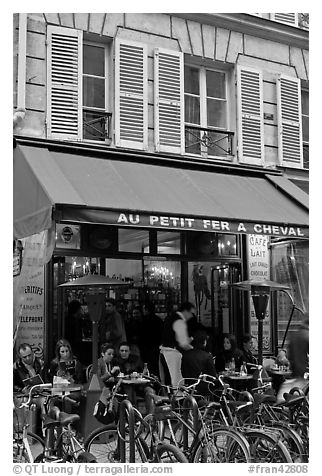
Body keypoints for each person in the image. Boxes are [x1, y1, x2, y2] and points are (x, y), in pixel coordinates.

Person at [159, 301, 196, 388]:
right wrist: (193, 347)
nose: (192, 316)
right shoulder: (179, 322)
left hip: (164, 352)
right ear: (186, 311)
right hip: (172, 353)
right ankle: (178, 400)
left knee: (166, 381)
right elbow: (183, 344)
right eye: (192, 313)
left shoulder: (170, 318)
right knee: (177, 382)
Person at [277, 317, 309, 402]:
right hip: (304, 377)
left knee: (284, 400)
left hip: (295, 376)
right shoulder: (308, 336)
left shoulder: (294, 336)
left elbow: (288, 357)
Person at [181, 329, 217, 395]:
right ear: (204, 342)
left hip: (189, 387)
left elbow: (183, 372)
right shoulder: (207, 356)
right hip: (205, 389)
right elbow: (213, 375)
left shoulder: (185, 355)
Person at [140, 301, 164, 377]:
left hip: (147, 348)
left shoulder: (144, 320)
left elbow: (142, 335)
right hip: (156, 347)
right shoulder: (158, 320)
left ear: (147, 310)